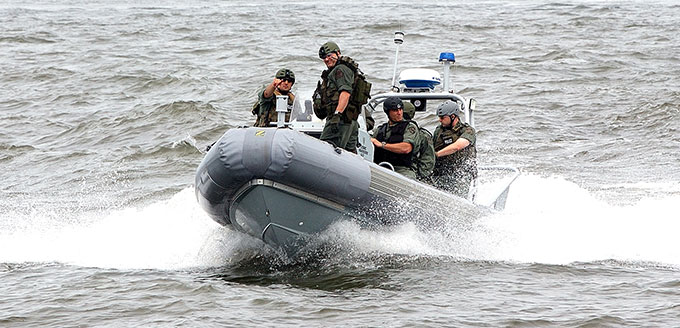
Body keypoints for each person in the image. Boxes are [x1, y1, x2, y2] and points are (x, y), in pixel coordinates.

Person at [313, 41, 371, 152]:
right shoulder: (344, 69)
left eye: (329, 56)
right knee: (349, 154)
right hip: (350, 121)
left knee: (326, 151)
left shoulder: (340, 70)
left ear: (338, 53)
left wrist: (337, 114)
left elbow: (345, 93)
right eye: (324, 57)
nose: (326, 59)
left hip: (341, 121)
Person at [431, 100, 478, 198]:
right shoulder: (439, 131)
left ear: (453, 117)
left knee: (456, 198)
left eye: (442, 117)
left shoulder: (468, 131)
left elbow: (457, 146)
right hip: (440, 173)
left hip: (460, 175)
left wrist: (436, 154)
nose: (440, 120)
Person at [371, 97, 419, 179]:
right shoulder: (380, 130)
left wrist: (382, 145)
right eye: (395, 110)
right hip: (381, 167)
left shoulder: (409, 127)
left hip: (402, 169)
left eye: (400, 109)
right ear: (388, 112)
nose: (399, 113)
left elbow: (406, 148)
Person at [402, 101, 435, 181]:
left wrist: (421, 177)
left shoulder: (421, 135)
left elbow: (428, 159)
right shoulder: (387, 129)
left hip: (410, 171)